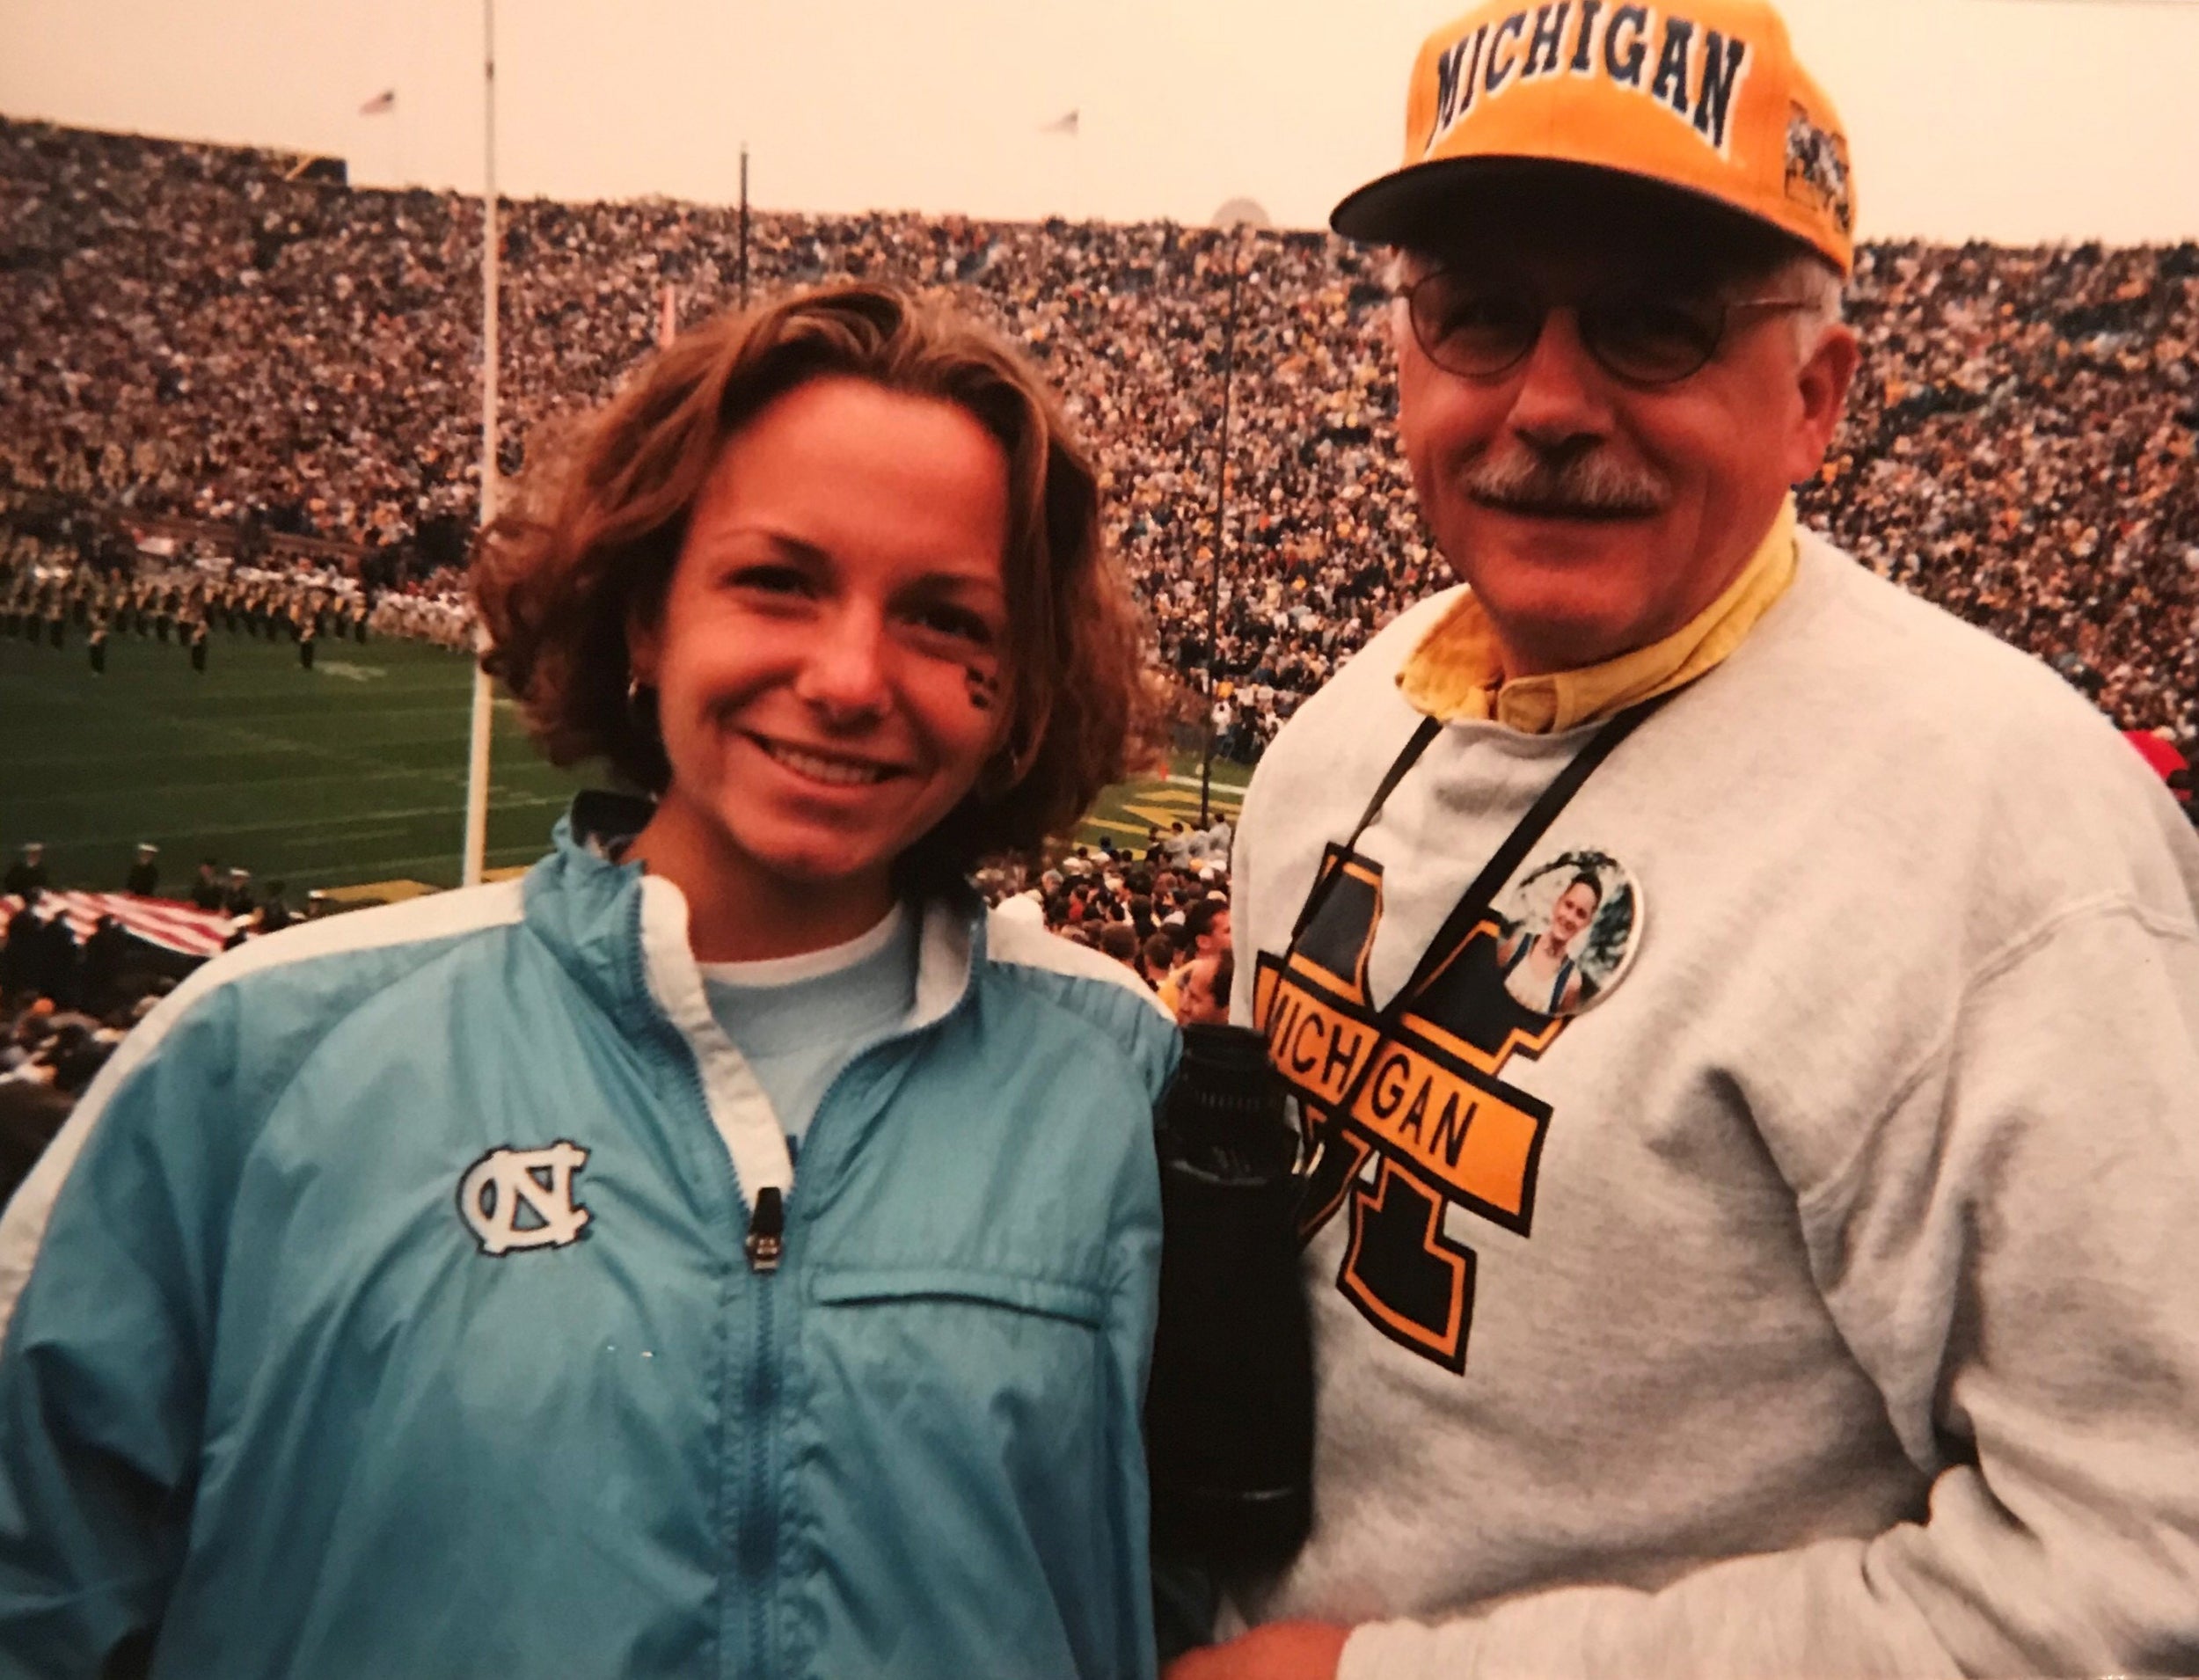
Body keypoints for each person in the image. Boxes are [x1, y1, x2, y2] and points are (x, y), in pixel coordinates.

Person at [1195, 4, 2199, 1676]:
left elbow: (2142, 1567)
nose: (1551, 400)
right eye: (1479, 314)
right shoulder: (1339, 729)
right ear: (1402, 354)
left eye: (1656, 327)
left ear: (1815, 397)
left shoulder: (2013, 836)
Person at [0, 283, 1176, 1678]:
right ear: (642, 614)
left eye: (943, 618)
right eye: (778, 582)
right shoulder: (262, 1054)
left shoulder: (1125, 1080)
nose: (852, 676)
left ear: (1022, 677)